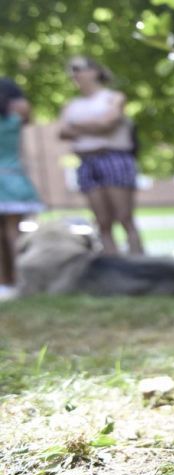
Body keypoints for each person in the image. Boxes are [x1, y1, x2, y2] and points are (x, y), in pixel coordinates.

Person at [58, 56, 143, 255]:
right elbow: (63, 132)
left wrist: (76, 126)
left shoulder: (113, 97)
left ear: (95, 71)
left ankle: (139, 264)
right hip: (86, 162)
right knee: (102, 221)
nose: (74, 73)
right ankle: (112, 266)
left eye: (78, 68)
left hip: (115, 158)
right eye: (71, 70)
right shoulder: (71, 105)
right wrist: (95, 125)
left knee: (124, 217)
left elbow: (108, 123)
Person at [0, 78, 45, 296]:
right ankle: (21, 280)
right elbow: (27, 111)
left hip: (6, 181)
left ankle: (4, 281)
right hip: (14, 179)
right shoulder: (14, 121)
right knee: (14, 233)